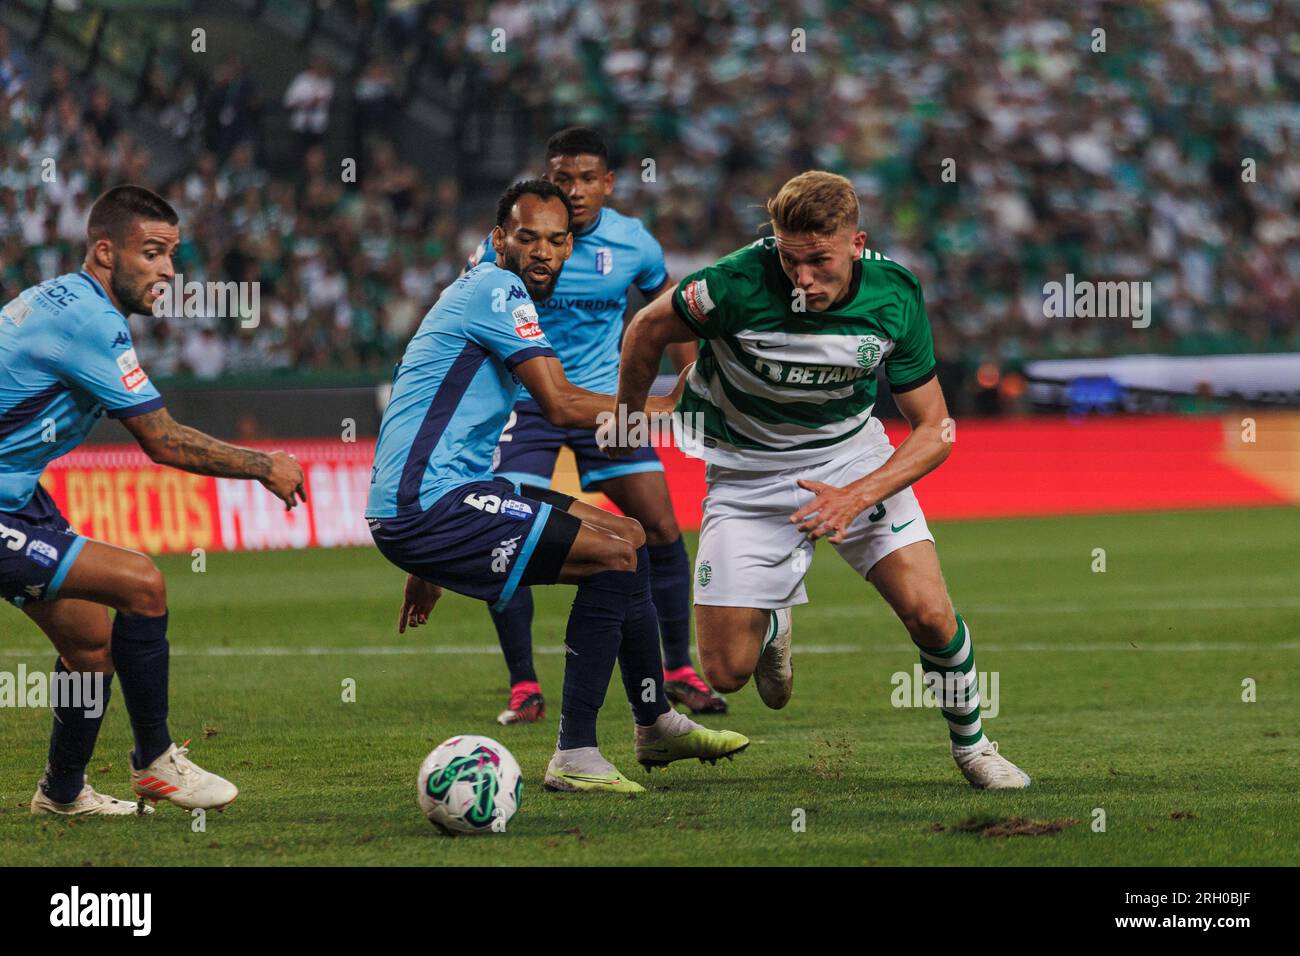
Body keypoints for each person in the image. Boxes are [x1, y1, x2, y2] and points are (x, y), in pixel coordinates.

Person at [612, 171, 1031, 789]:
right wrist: (627, 421)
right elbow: (648, 328)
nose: (803, 278)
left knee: (929, 615)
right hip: (746, 472)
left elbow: (934, 429)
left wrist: (856, 496)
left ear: (856, 243)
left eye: (818, 261)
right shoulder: (732, 284)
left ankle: (974, 748)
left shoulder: (894, 296)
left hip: (849, 461)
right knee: (726, 672)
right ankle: (775, 620)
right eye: (789, 259)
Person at [367, 179, 747, 792]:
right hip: (429, 506)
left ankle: (654, 719)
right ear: (499, 239)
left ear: (569, 247)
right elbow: (562, 403)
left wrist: (427, 563)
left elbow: (436, 414)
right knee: (615, 554)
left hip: (439, 498)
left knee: (633, 536)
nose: (542, 250)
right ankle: (575, 753)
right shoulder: (498, 288)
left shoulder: (481, 294)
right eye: (527, 237)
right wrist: (666, 407)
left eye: (555, 240)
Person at [0, 184, 308, 815]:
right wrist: (263, 465)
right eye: (152, 252)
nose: (168, 269)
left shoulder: (63, 297)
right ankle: (155, 762)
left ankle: (61, 795)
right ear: (106, 252)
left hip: (17, 495)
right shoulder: (91, 321)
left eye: (173, 254)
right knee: (143, 585)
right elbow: (162, 441)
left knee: (89, 645)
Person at [468, 127, 724, 724]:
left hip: (604, 405)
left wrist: (691, 386)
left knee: (658, 522)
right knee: (506, 525)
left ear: (608, 183)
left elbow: (673, 316)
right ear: (547, 178)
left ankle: (678, 668)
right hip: (526, 404)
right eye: (562, 178)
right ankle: (524, 684)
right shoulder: (510, 242)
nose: (575, 190)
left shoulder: (634, 244)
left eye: (587, 178)